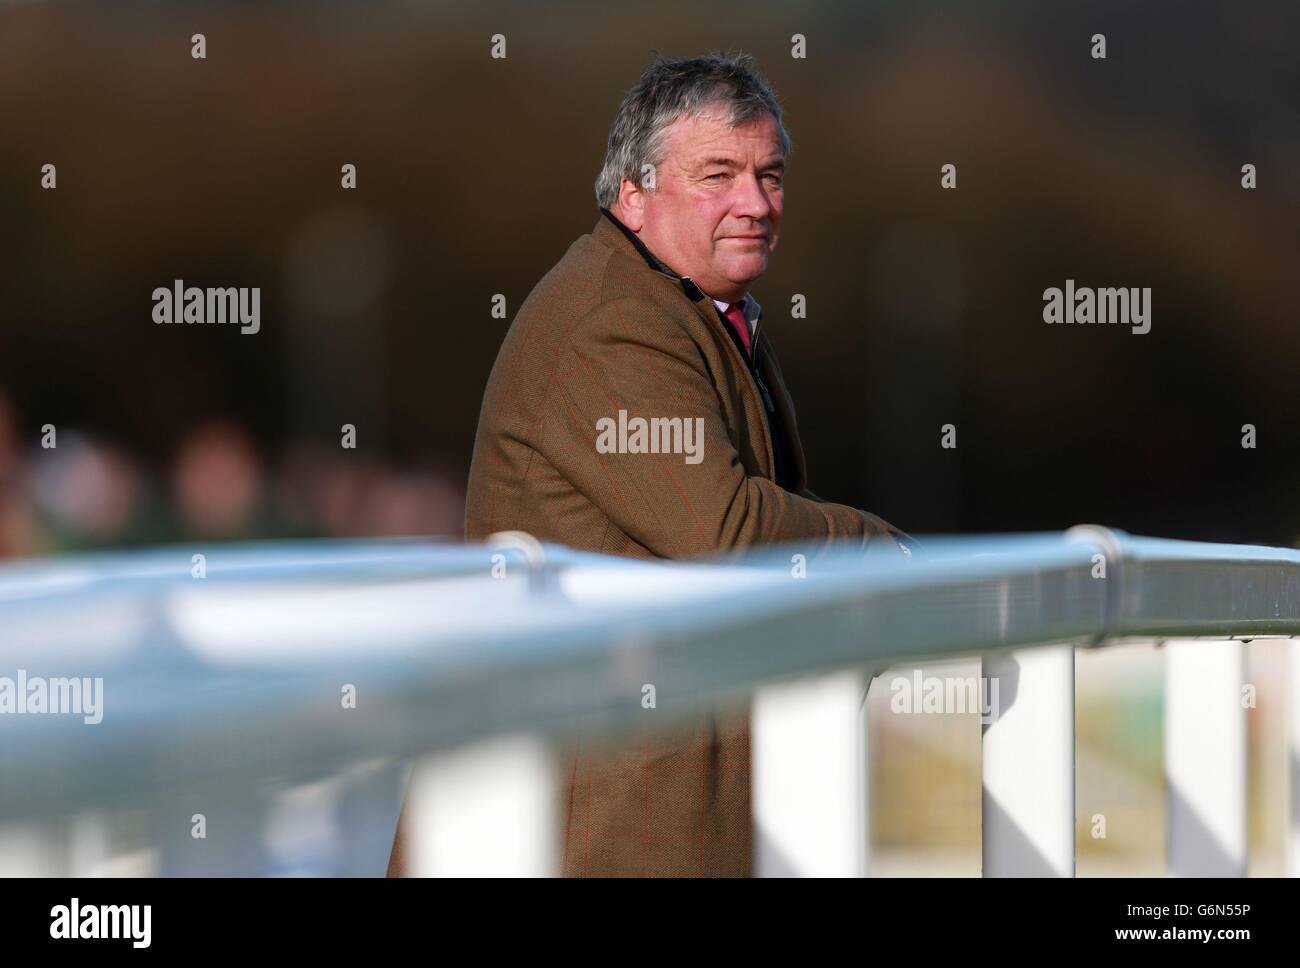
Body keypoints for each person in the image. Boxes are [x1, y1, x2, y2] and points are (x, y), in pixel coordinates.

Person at [389, 50, 912, 878]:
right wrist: (879, 550)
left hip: (632, 792)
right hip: (591, 818)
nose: (754, 202)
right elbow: (725, 529)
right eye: (717, 175)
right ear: (633, 194)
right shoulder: (614, 323)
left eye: (769, 175)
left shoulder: (688, 305)